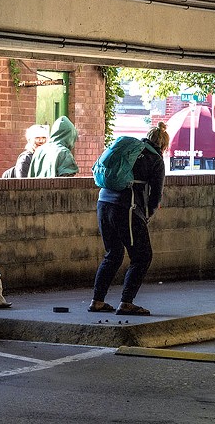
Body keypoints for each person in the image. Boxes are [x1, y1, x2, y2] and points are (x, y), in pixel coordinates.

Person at [88, 122, 170, 316]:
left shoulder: (129, 150)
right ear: (164, 145)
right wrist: (147, 215)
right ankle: (126, 302)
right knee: (142, 256)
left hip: (103, 203)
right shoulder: (155, 159)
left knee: (113, 253)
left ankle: (97, 301)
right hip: (127, 207)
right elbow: (156, 194)